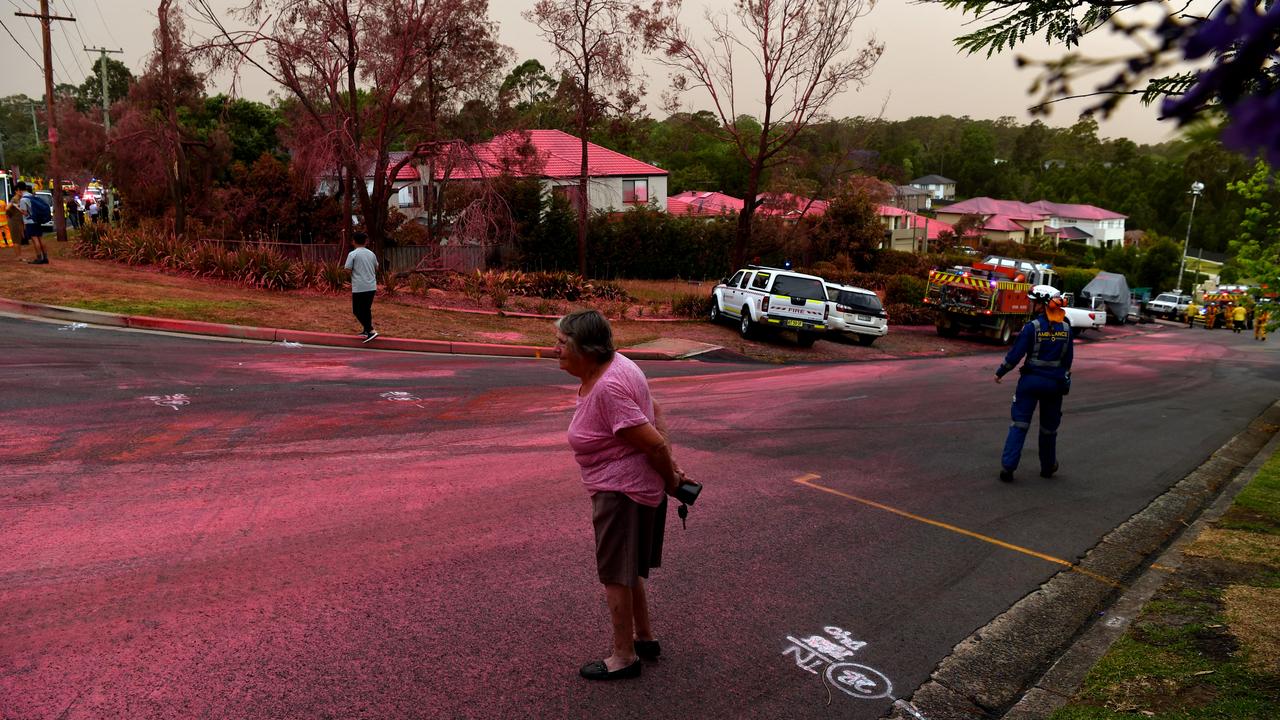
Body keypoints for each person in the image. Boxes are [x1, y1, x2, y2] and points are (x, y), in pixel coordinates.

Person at [555, 309, 689, 682]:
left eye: (563, 344)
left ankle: (623, 657)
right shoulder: (616, 364)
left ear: (588, 350)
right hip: (631, 487)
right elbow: (655, 411)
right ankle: (643, 637)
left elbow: (655, 444)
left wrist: (672, 478)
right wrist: (670, 472)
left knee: (615, 572)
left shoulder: (608, 387)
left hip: (622, 492)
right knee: (627, 568)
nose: (556, 350)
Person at [994, 285, 1074, 482]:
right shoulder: (1066, 329)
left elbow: (1016, 354)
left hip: (1030, 382)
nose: (1032, 305)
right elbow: (1068, 360)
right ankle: (1047, 467)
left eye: (1035, 302)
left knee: (1019, 424)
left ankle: (1008, 468)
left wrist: (1001, 372)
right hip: (1054, 385)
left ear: (1043, 305)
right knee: (1049, 428)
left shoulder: (1032, 328)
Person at [343, 231, 379, 342]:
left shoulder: (353, 254)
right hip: (371, 286)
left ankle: (371, 330)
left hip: (359, 287)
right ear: (365, 241)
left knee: (357, 310)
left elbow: (347, 269)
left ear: (353, 241)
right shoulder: (371, 254)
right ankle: (366, 330)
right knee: (366, 309)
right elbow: (377, 267)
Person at [14, 182, 49, 265]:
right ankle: (45, 258)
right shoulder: (32, 195)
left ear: (19, 189)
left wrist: (17, 207)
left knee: (34, 239)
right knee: (40, 238)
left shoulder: (23, 199)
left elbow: (25, 213)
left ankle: (39, 258)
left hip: (30, 221)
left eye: (16, 190)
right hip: (37, 220)